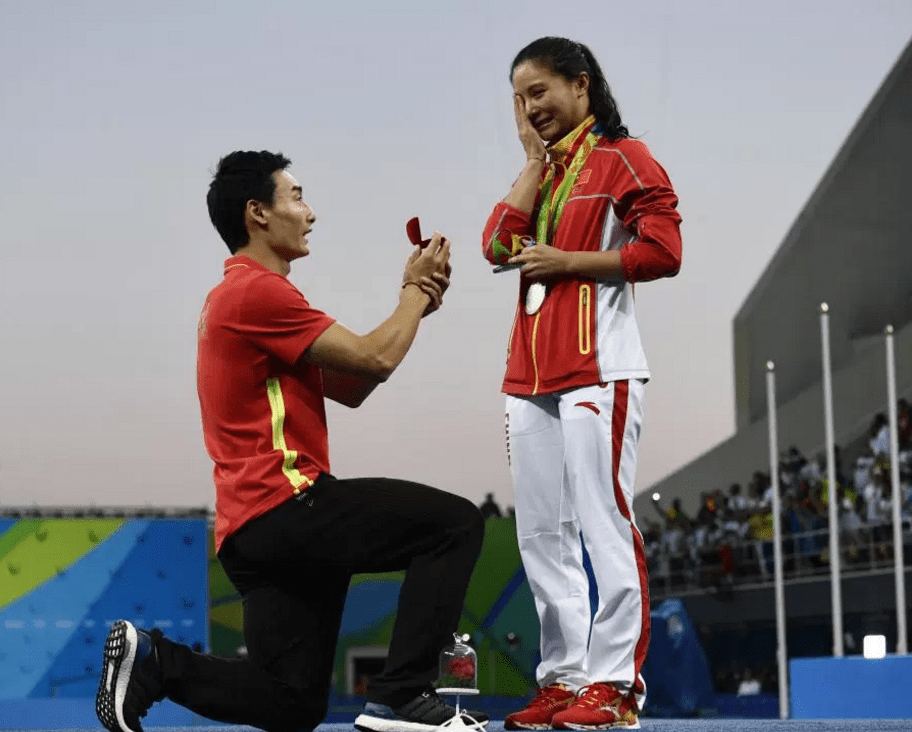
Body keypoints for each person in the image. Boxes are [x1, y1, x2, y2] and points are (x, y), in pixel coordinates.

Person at [95, 150, 488, 732]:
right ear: (258, 213)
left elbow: (352, 386)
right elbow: (373, 357)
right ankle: (403, 696)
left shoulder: (237, 300)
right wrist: (411, 290)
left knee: (292, 703)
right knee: (455, 524)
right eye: (297, 197)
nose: (311, 214)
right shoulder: (258, 294)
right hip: (289, 504)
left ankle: (156, 662)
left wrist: (420, 302)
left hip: (253, 529)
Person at [482, 37, 682, 731]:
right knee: (541, 533)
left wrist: (569, 261)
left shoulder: (623, 158)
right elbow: (498, 247)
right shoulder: (545, 170)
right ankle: (564, 679)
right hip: (529, 376)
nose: (530, 107)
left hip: (600, 366)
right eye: (519, 97)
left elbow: (663, 250)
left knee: (604, 521)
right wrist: (531, 163)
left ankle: (615, 684)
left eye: (540, 91)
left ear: (581, 86)